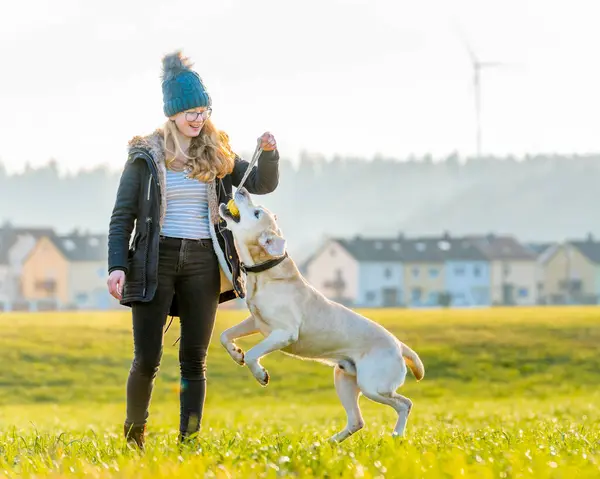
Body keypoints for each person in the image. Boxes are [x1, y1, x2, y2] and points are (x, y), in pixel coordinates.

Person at [106, 50, 280, 449]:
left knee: (194, 362)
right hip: (155, 260)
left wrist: (268, 153)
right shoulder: (146, 157)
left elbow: (262, 183)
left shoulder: (216, 152)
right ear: (172, 112)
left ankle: (189, 445)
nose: (198, 118)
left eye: (203, 110)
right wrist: (117, 265)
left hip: (204, 261)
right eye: (190, 111)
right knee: (146, 359)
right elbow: (122, 217)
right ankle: (134, 443)